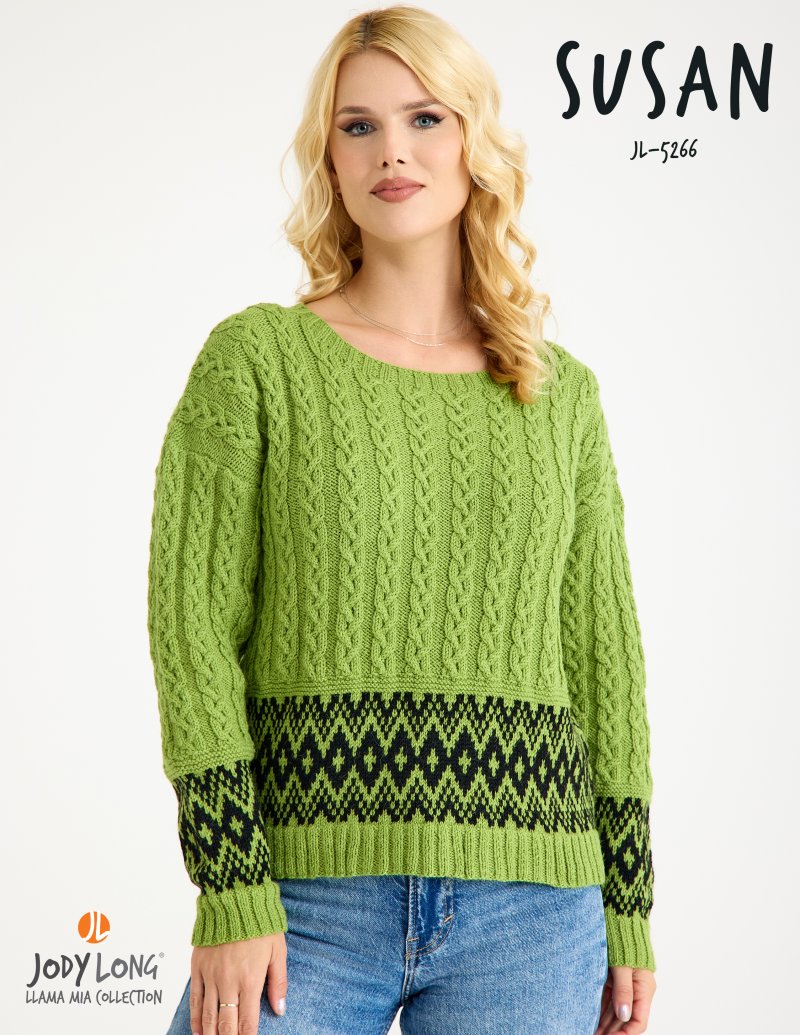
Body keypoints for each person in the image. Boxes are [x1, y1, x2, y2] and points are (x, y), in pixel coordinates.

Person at [147, 6, 657, 1034]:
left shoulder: (561, 396)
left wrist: (630, 909)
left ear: (474, 141)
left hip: (536, 914)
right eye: (358, 126)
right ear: (329, 161)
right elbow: (191, 629)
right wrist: (231, 882)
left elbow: (603, 660)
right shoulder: (257, 362)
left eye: (425, 118)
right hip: (304, 903)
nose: (392, 150)